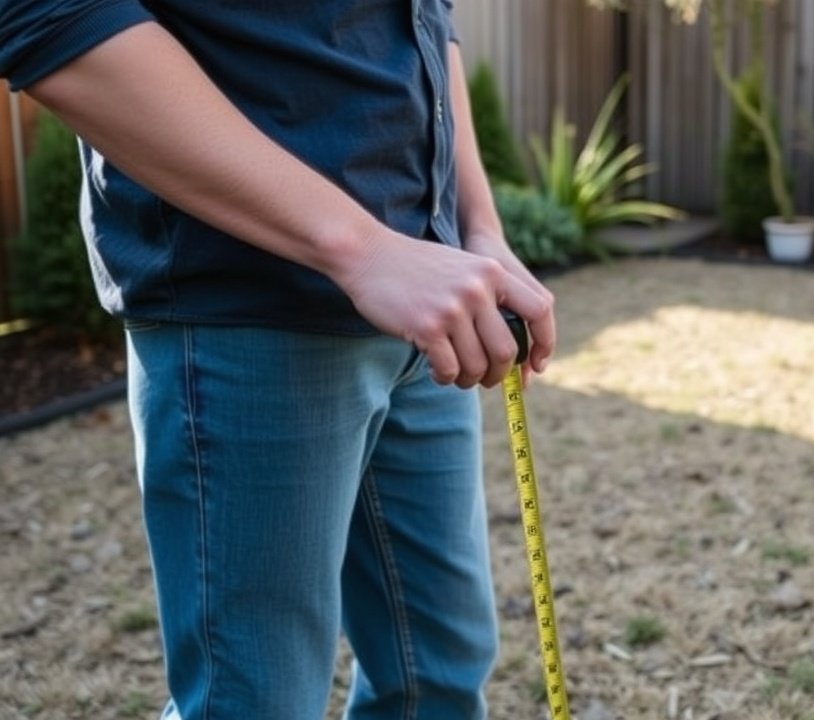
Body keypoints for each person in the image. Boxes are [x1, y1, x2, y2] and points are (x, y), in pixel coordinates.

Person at [1, 1, 555, 718]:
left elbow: (425, 17)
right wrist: (362, 249)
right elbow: (52, 14)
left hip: (429, 301)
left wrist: (477, 227)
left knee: (437, 678)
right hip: (251, 306)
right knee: (256, 702)